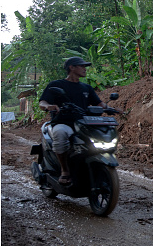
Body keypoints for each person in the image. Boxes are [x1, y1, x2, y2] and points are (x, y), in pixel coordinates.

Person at [39, 57, 107, 185]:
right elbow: (42, 102)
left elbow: (99, 103)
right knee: (60, 134)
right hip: (63, 123)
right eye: (82, 66)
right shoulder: (56, 85)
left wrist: (110, 108)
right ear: (72, 67)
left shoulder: (86, 88)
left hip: (84, 124)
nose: (85, 69)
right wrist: (48, 106)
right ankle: (65, 170)